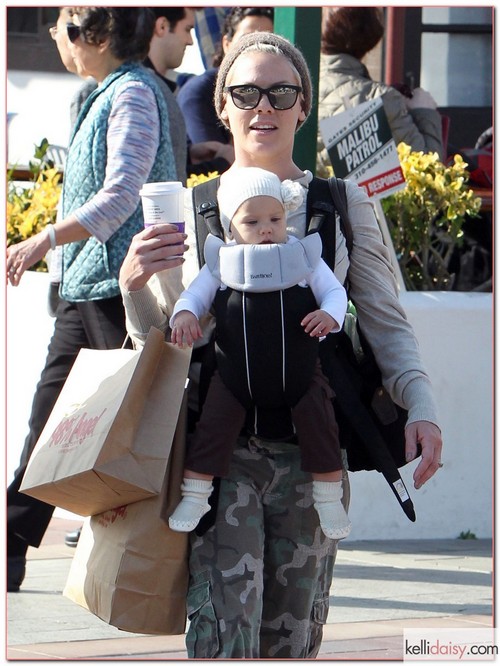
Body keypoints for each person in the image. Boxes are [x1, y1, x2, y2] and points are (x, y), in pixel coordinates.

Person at [119, 32, 443, 658]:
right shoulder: (192, 209)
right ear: (223, 106)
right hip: (218, 460)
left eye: (281, 92)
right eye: (245, 92)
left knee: (291, 642)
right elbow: (158, 348)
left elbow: (385, 322)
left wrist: (422, 407)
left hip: (311, 456)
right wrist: (137, 287)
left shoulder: (342, 204)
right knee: (222, 638)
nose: (262, 106)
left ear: (303, 106)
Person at [6, 7, 178, 591]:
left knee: (136, 428)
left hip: (121, 291)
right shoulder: (102, 93)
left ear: (94, 38)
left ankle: (164, 550)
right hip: (87, 288)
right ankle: (10, 546)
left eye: (62, 26)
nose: (56, 37)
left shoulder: (131, 93)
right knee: (49, 422)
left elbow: (122, 192)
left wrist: (46, 238)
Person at [167, 166, 350, 540]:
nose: (266, 228)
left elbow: (335, 293)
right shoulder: (220, 264)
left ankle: (329, 498)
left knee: (321, 426)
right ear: (231, 227)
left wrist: (328, 315)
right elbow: (193, 296)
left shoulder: (303, 258)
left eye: (275, 218)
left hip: (300, 375)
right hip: (234, 378)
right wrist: (185, 314)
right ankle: (195, 494)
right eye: (252, 221)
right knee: (211, 429)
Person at [317, 7, 444, 178]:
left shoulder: (294, 84)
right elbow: (430, 172)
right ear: (371, 38)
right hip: (355, 203)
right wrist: (425, 112)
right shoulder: (380, 98)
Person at [144, 7, 234, 181]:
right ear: (162, 26)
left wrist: (186, 154)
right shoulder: (142, 92)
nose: (191, 41)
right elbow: (154, 182)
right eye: (187, 29)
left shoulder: (154, 88)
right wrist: (224, 163)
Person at [176, 7, 273, 146]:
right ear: (226, 44)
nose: (256, 48)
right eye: (246, 40)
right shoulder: (198, 94)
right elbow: (213, 159)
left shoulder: (279, 93)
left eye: (266, 41)